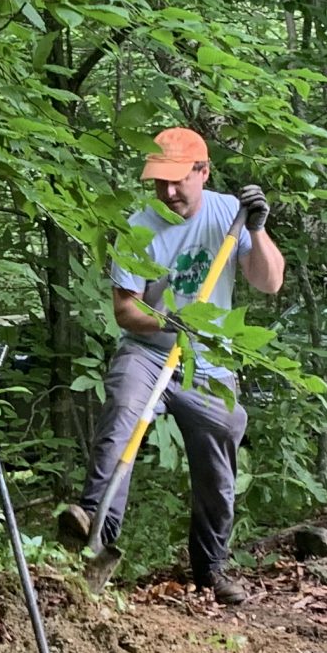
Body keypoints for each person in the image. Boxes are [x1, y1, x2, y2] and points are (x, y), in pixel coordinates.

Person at [57, 127, 283, 605]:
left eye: (179, 180)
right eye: (159, 181)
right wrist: (168, 320)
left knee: (218, 465)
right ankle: (94, 528)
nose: (169, 191)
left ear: (203, 173)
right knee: (122, 413)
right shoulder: (139, 228)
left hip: (210, 364)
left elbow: (270, 282)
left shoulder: (229, 215)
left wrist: (257, 229)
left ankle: (211, 568)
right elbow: (125, 311)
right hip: (149, 351)